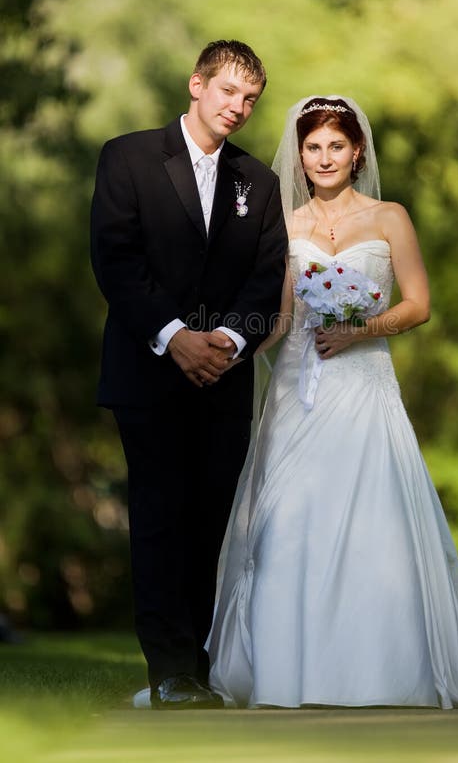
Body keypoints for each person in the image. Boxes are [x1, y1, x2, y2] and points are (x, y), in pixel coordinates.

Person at [206, 96, 458, 709]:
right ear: (299, 155)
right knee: (287, 521)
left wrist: (361, 329)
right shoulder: (288, 224)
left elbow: (418, 304)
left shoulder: (389, 218)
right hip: (300, 388)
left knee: (370, 522)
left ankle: (376, 672)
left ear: (357, 153)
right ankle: (288, 673)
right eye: (312, 147)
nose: (323, 158)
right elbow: (277, 319)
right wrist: (229, 350)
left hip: (364, 385)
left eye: (335, 146)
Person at [90, 40, 287, 709]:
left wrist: (226, 342)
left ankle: (200, 669)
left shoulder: (257, 182)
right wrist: (175, 338)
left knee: (211, 524)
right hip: (147, 373)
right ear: (197, 85)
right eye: (229, 91)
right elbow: (116, 260)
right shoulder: (128, 157)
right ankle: (169, 672)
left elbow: (266, 281)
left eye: (251, 98)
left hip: (222, 381)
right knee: (158, 519)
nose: (239, 107)